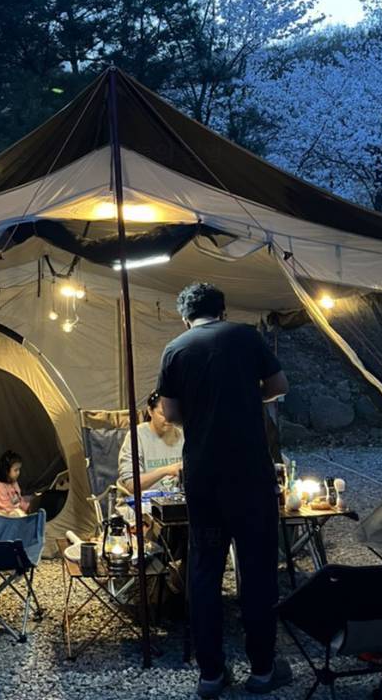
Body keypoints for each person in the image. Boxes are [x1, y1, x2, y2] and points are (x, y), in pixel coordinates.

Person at [157, 282, 292, 698]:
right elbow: (279, 385)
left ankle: (211, 675)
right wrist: (247, 399)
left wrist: (202, 414)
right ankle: (263, 670)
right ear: (223, 310)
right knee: (257, 570)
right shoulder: (246, 337)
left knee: (204, 571)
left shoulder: (176, 349)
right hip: (250, 475)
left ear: (185, 317)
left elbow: (170, 412)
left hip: (204, 479)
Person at [118, 389, 184, 494]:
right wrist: (165, 471)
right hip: (144, 500)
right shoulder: (137, 436)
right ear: (150, 411)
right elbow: (131, 484)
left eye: (172, 414)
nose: (168, 419)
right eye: (162, 414)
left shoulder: (182, 435)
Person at [0, 450, 31, 517]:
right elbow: (6, 508)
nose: (18, 472)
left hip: (12, 510)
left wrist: (26, 507)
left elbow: (18, 499)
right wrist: (20, 512)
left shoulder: (14, 482)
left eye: (19, 469)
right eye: (16, 470)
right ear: (6, 471)